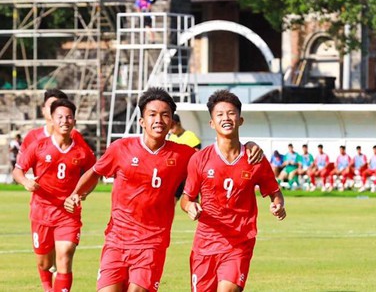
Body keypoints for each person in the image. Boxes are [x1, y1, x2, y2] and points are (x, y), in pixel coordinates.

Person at [64, 88, 264, 292]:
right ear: (142, 121)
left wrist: (249, 145)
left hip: (152, 243)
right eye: (152, 114)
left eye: (165, 115)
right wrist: (76, 194)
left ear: (171, 122)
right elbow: (95, 172)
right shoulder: (120, 148)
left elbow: (216, 158)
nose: (158, 120)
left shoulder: (184, 155)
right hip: (117, 240)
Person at [180, 89, 286, 292]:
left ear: (240, 119)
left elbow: (274, 191)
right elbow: (186, 199)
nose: (226, 118)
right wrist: (190, 207)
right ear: (212, 123)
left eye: (231, 113)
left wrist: (278, 204)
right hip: (205, 243)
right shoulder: (199, 159)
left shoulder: (255, 158)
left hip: (239, 241)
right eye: (219, 114)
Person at [12, 99, 96, 292]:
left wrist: (81, 194)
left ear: (74, 120)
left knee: (65, 254)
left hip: (68, 214)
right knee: (44, 262)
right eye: (60, 117)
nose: (65, 121)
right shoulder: (38, 146)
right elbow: (18, 170)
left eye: (69, 117)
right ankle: (48, 287)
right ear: (52, 119)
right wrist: (26, 182)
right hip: (41, 213)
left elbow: (94, 175)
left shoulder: (82, 151)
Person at [18, 88, 91, 163]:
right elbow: (19, 165)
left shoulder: (75, 135)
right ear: (43, 110)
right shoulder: (33, 136)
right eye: (51, 106)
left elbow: (89, 163)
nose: (54, 110)